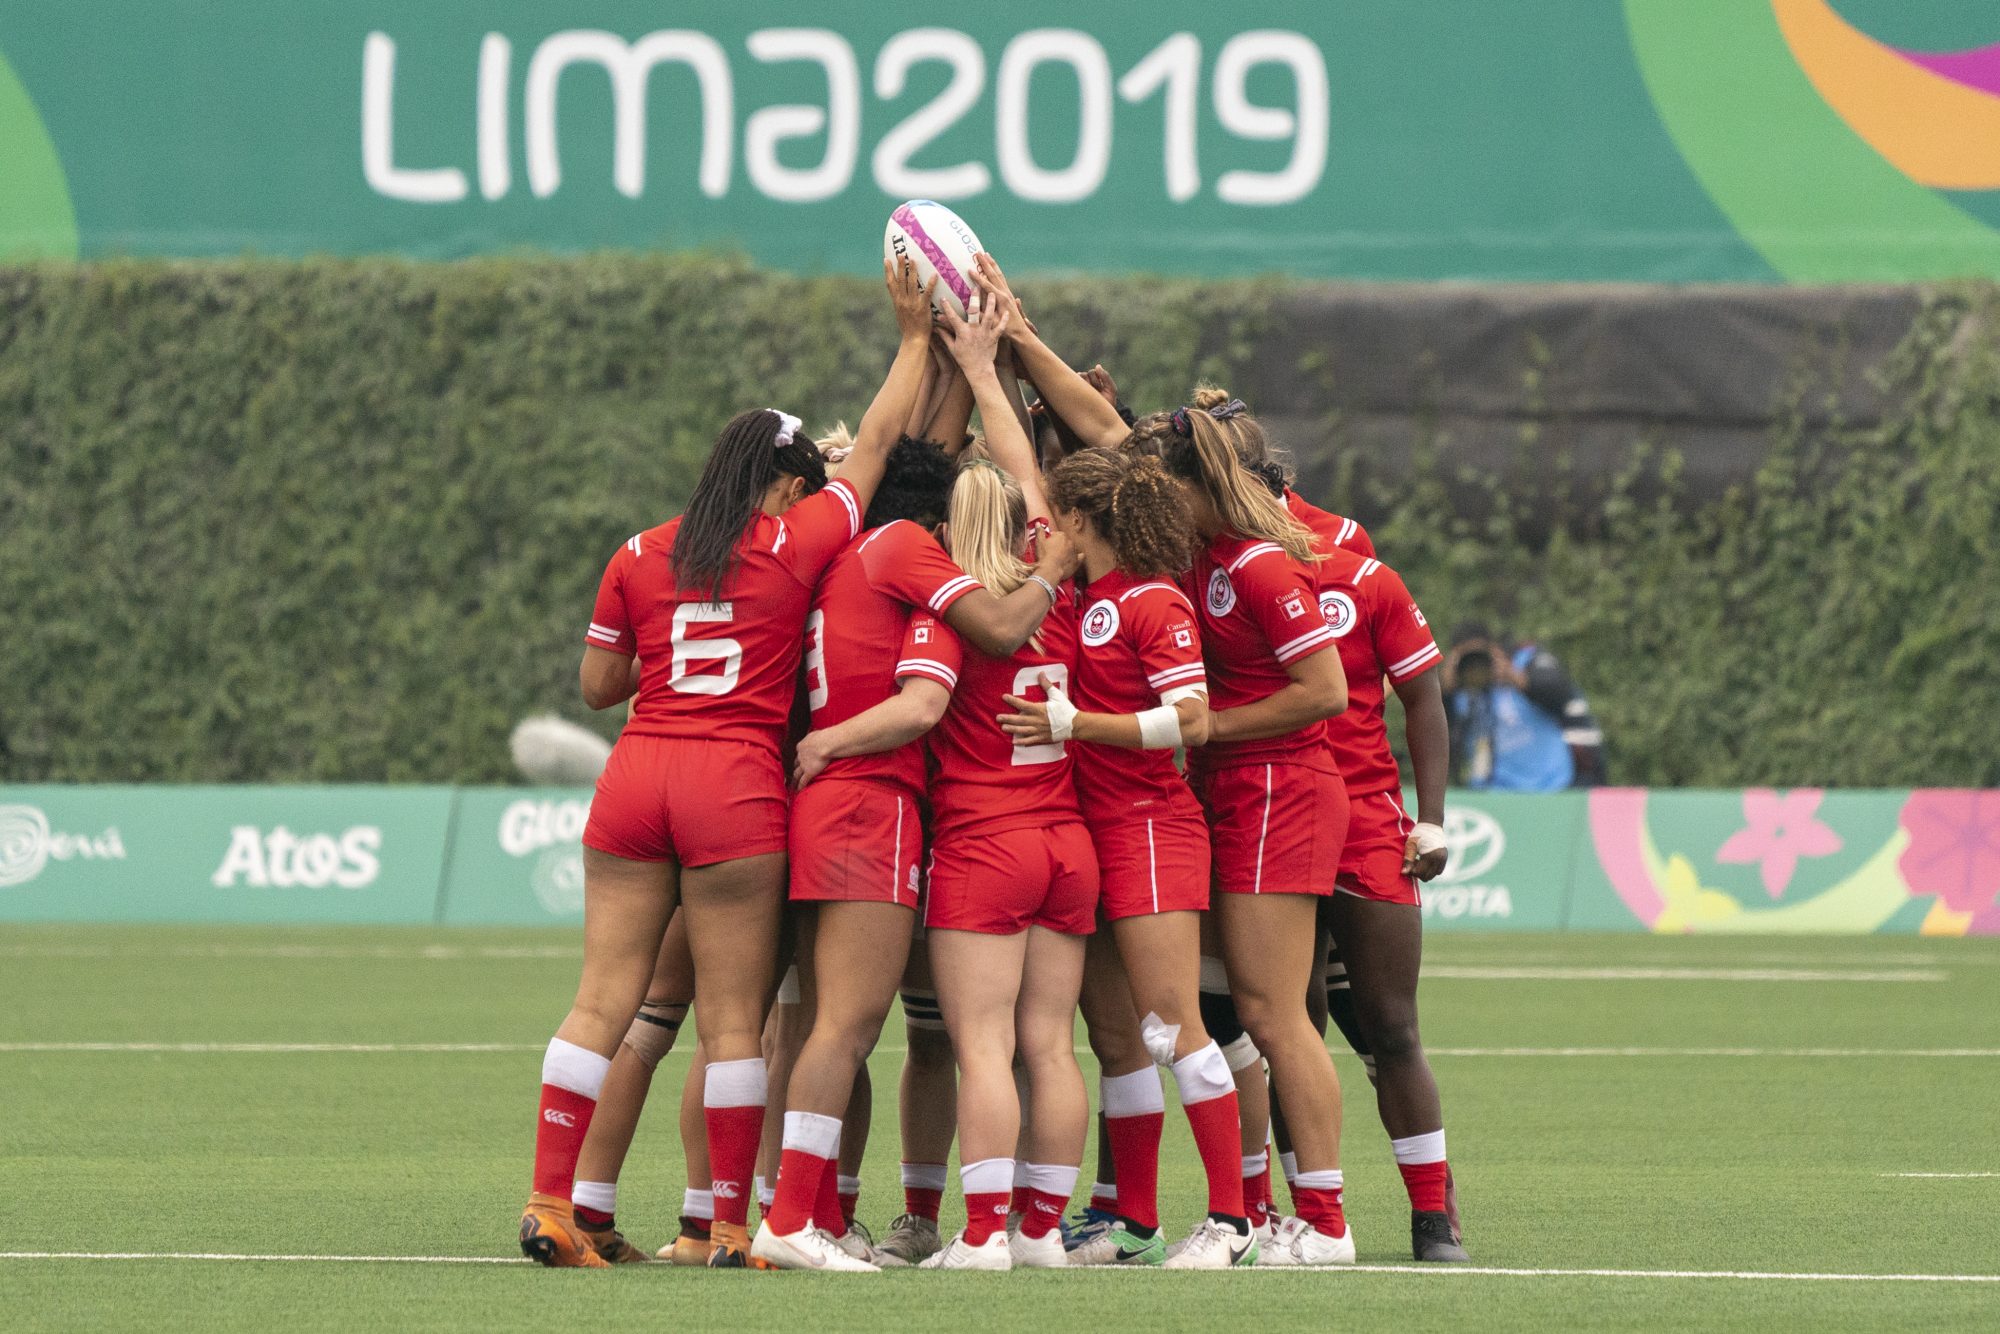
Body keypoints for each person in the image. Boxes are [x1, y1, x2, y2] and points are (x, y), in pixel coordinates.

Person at [516, 258, 937, 1269]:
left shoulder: (638, 551)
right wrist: (916, 339)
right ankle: (730, 1228)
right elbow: (878, 444)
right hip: (733, 786)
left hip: (636, 775)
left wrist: (672, 647)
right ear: (786, 483)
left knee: (601, 1001)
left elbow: (598, 685)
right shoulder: (798, 539)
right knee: (736, 1024)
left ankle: (550, 1204)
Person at [751, 430, 1074, 1271]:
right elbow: (930, 699)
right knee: (848, 1029)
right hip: (874, 809)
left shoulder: (845, 560)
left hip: (840, 812)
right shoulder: (909, 560)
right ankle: (792, 1218)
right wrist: (1051, 570)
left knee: (820, 1026)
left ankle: (803, 1215)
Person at [995, 448, 1258, 1268]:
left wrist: (1078, 726)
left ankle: (1233, 1223)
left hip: (1149, 828)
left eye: (1056, 521)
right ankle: (1134, 1222)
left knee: (1173, 1026)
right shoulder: (1083, 600)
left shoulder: (1152, 599)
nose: (1047, 533)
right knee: (1120, 1037)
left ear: (1079, 522)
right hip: (1087, 836)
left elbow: (1192, 720)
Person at [1137, 396, 1358, 1266]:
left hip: (1279, 790)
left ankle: (1328, 1224)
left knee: (1274, 1013)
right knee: (1227, 1011)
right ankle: (1254, 1214)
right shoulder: (1199, 555)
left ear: (1193, 486)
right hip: (1228, 793)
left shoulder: (1260, 566)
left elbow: (1326, 691)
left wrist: (1214, 728)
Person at [909, 293, 1098, 1271]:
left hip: (985, 844)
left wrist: (961, 367)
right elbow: (1025, 471)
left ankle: (981, 1232)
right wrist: (987, 369)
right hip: (1066, 841)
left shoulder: (954, 607)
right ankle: (1037, 1231)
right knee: (1050, 1046)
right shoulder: (1052, 586)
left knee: (980, 1046)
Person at [1445, 625, 1578, 792]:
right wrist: (1443, 691)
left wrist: (1513, 676)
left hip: (1549, 786)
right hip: (1492, 792)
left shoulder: (1523, 664)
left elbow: (1561, 695)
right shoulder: (1458, 693)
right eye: (1468, 662)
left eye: (1481, 658)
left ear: (1494, 651)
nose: (1476, 668)